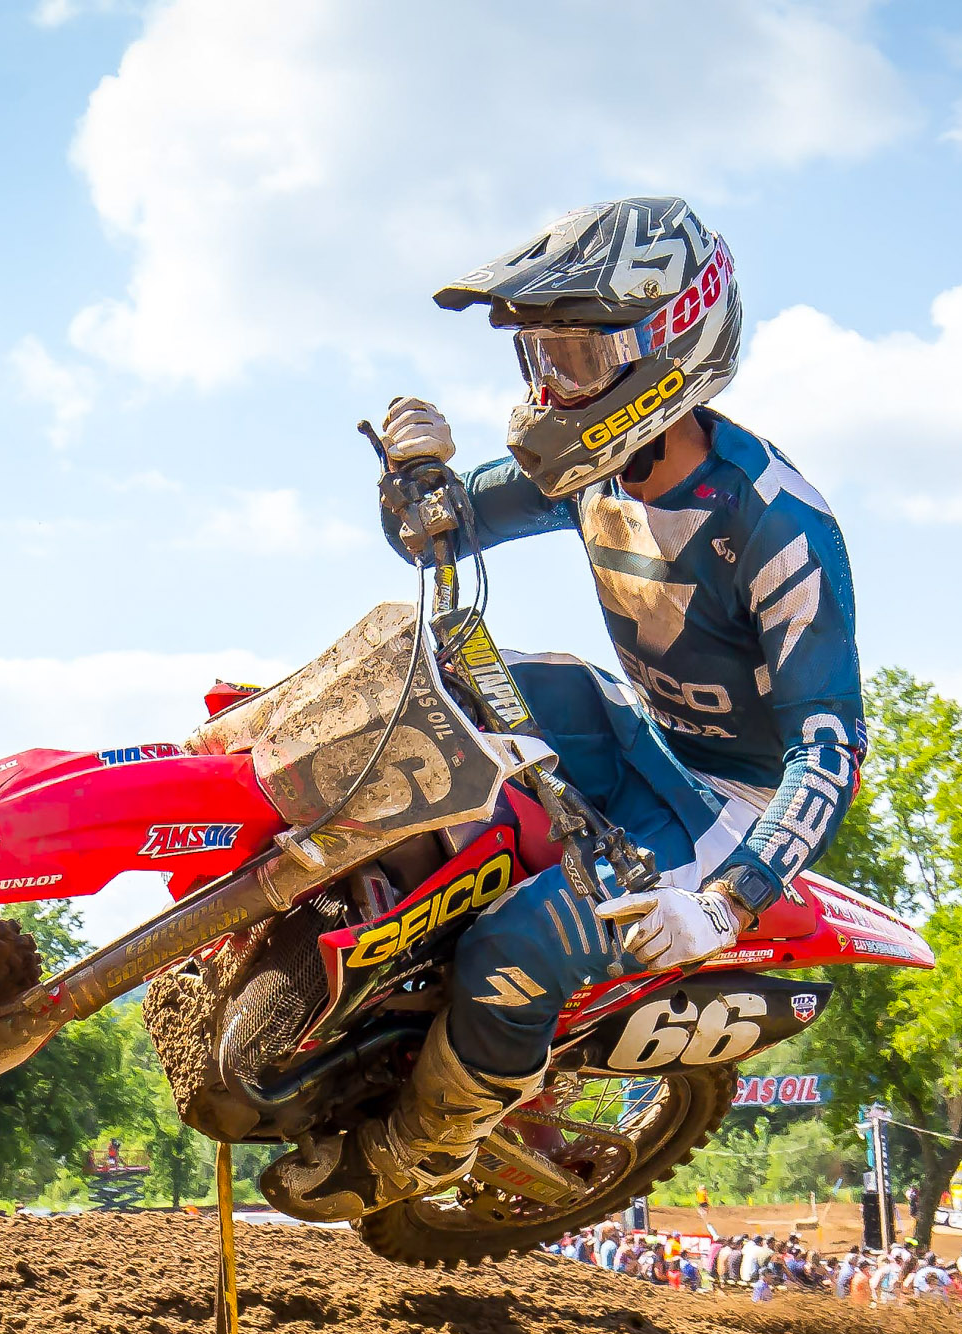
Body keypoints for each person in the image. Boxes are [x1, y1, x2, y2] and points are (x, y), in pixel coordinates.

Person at [266, 198, 861, 1221]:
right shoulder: (595, 465)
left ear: (669, 350)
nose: (552, 388)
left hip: (728, 808)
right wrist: (415, 477)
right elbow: (438, 536)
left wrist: (727, 902)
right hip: (635, 727)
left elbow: (831, 745)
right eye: (540, 356)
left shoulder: (778, 523)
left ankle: (423, 1146)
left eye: (579, 358)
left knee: (522, 945)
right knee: (425, 690)